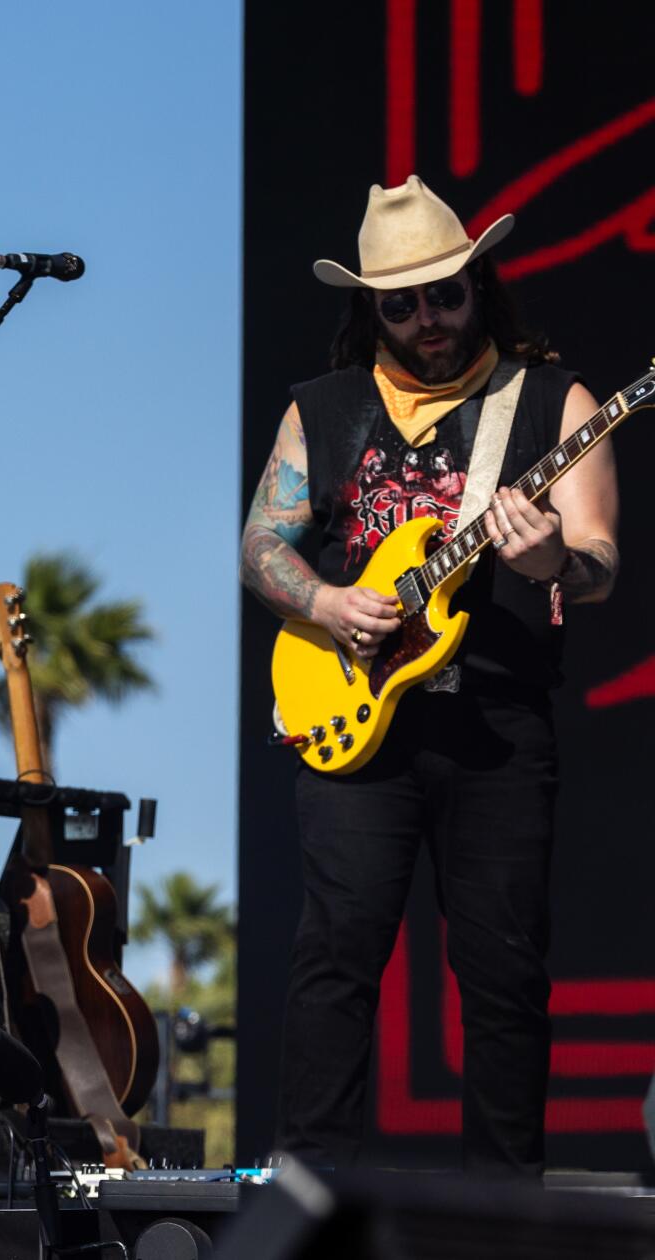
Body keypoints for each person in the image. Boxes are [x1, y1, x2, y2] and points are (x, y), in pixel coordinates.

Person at [241, 176, 619, 1175]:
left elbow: (596, 562)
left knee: (500, 977)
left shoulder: (551, 400)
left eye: (444, 294)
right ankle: (305, 1197)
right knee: (333, 962)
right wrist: (325, 606)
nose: (427, 319)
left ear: (475, 284)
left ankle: (502, 1214)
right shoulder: (321, 411)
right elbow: (260, 549)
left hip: (495, 726)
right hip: (354, 717)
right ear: (369, 305)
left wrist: (545, 561)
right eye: (400, 302)